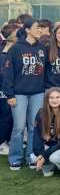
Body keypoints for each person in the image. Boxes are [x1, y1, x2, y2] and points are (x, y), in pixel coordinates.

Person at [3, 18, 47, 170]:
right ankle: (15, 157)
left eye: (42, 28)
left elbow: (46, 72)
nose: (40, 30)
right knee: (19, 127)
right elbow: (8, 73)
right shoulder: (15, 48)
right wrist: (10, 95)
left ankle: (31, 157)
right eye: (37, 28)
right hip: (19, 94)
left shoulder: (43, 48)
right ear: (28, 30)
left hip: (38, 93)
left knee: (34, 127)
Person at [32, 87, 60, 177]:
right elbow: (37, 136)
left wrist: (45, 155)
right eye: (51, 97)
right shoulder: (41, 113)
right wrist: (40, 154)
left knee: (54, 157)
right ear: (47, 99)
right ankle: (49, 167)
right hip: (51, 144)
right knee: (34, 156)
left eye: (57, 97)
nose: (54, 100)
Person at [0, 24, 18, 155]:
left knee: (10, 117)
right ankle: (1, 143)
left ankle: (8, 140)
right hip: (4, 90)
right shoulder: (4, 54)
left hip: (10, 89)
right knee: (5, 116)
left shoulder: (12, 52)